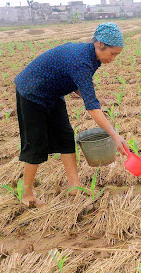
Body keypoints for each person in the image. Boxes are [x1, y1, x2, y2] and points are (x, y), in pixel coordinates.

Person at [14, 22, 128, 207]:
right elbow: (91, 107)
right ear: (99, 44)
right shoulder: (81, 60)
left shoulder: (92, 57)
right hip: (31, 93)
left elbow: (77, 83)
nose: (113, 58)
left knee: (66, 137)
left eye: (117, 55)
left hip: (52, 93)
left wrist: (92, 98)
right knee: (35, 144)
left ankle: (75, 189)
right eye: (112, 53)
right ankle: (27, 195)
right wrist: (114, 135)